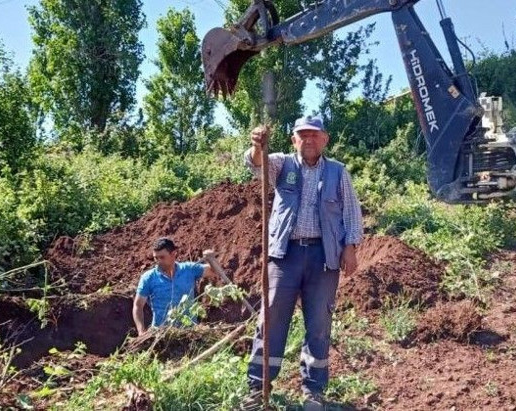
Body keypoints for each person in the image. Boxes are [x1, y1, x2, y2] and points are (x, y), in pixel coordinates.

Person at [240, 116, 363, 410]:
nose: (308, 140)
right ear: (294, 140)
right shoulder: (282, 165)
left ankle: (313, 392)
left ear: (325, 140)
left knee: (319, 324)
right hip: (285, 255)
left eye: (314, 135)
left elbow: (352, 213)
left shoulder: (337, 172)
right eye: (302, 136)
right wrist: (258, 145)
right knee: (270, 318)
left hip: (324, 257)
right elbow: (256, 165)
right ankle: (259, 387)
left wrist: (351, 248)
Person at [132, 238, 217, 336]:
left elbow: (213, 271)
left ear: (173, 254)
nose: (158, 261)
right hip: (160, 335)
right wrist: (141, 331)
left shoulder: (188, 269)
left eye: (162, 257)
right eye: (156, 258)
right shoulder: (148, 278)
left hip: (190, 333)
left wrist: (211, 259)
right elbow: (138, 306)